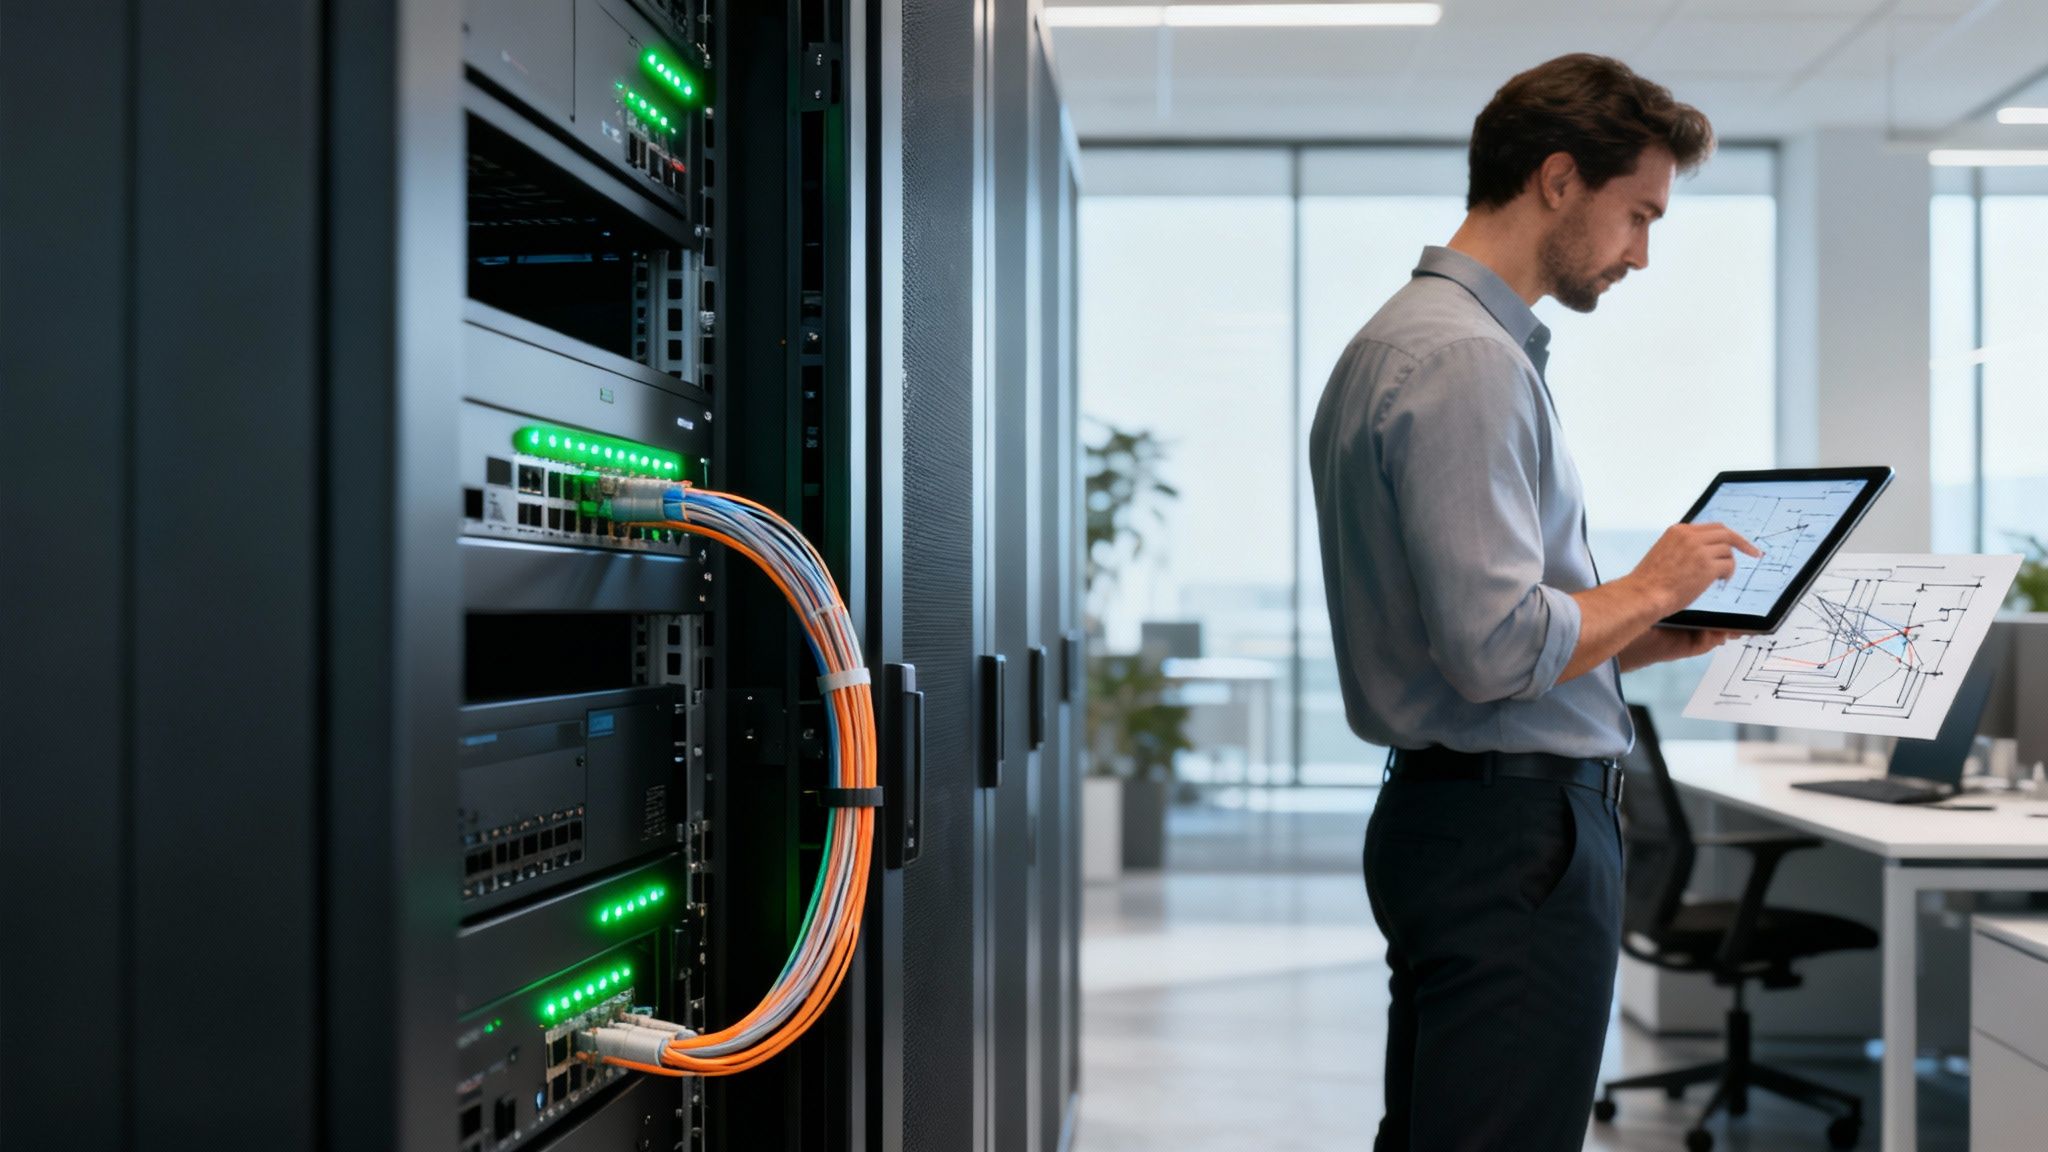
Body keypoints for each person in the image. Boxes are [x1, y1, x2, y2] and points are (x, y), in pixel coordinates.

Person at [1306, 54, 1761, 1151]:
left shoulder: (1403, 343)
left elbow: (1469, 644)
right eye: (1636, 215)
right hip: (1511, 833)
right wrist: (1651, 580)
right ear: (1558, 178)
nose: (1641, 254)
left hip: (1458, 815)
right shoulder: (1463, 361)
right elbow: (1495, 647)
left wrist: (1647, 633)